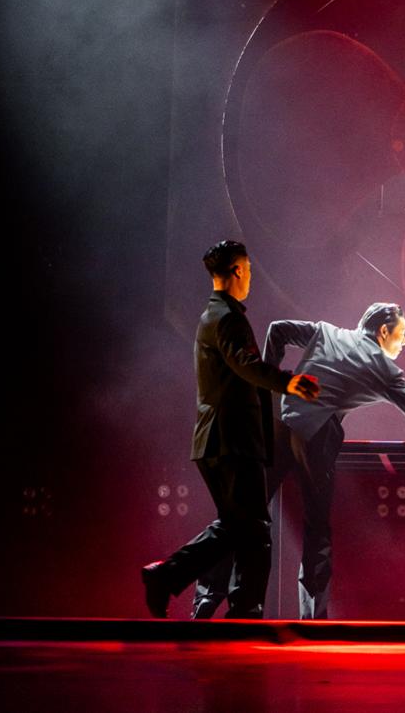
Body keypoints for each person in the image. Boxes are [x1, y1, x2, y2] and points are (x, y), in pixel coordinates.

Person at [191, 301, 405, 620]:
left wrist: (267, 390)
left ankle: (207, 597)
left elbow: (278, 330)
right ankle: (312, 617)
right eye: (401, 334)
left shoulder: (328, 333)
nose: (404, 342)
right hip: (315, 438)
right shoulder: (385, 371)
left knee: (243, 512)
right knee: (316, 527)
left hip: (279, 425)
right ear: (384, 331)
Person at [141, 240, 319, 619]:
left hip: (218, 441)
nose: (251, 277)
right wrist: (287, 382)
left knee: (242, 527)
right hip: (232, 441)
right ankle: (211, 595)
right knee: (251, 527)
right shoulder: (228, 319)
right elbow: (245, 364)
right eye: (249, 270)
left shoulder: (214, 316)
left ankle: (237, 606)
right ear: (238, 270)